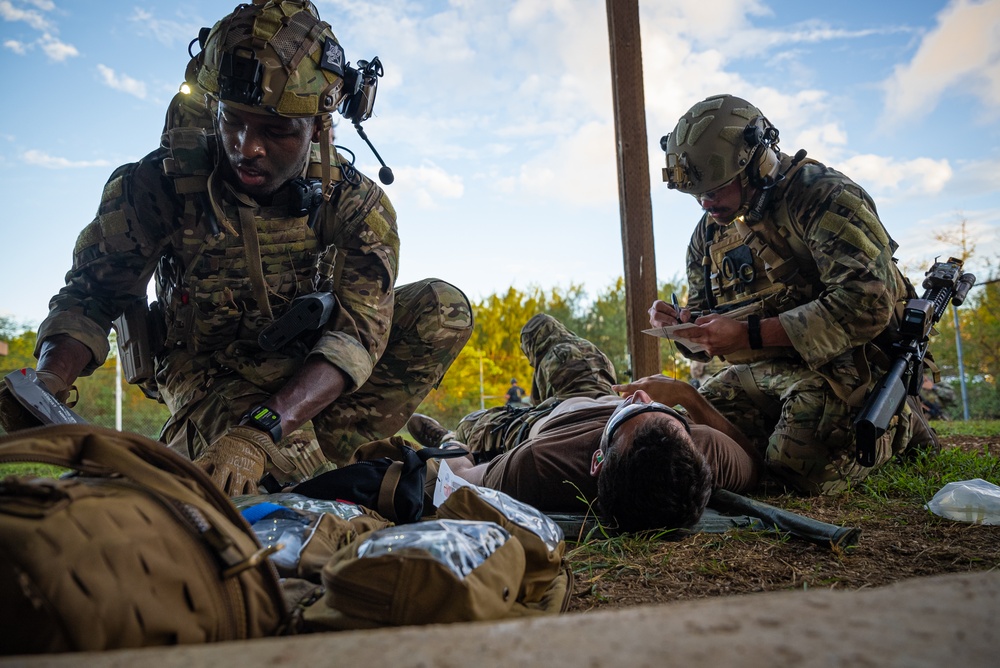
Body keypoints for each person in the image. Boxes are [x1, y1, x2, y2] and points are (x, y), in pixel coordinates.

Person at [1, 0, 472, 495]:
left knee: (443, 309)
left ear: (319, 126)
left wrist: (262, 432)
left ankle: (312, 456)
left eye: (276, 131)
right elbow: (93, 297)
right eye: (233, 120)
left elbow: (357, 334)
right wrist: (49, 380)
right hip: (207, 372)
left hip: (306, 367)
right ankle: (297, 467)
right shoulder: (160, 184)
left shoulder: (355, 205)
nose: (246, 146)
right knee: (230, 498)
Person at [650, 93, 930, 495]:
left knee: (792, 473)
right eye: (697, 194)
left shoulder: (823, 198)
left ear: (756, 162)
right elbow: (706, 322)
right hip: (765, 372)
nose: (705, 203)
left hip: (850, 366)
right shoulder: (710, 233)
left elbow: (867, 304)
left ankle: (899, 424)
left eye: (717, 189)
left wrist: (748, 335)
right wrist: (683, 329)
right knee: (676, 437)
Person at [407, 314, 761, 532]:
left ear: (597, 460)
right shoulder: (705, 452)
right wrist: (685, 396)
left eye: (631, 413)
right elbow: (754, 464)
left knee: (472, 424)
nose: (640, 396)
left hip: (538, 423)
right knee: (541, 327)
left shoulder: (541, 464)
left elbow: (460, 481)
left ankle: (449, 429)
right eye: (666, 413)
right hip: (594, 389)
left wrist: (451, 446)